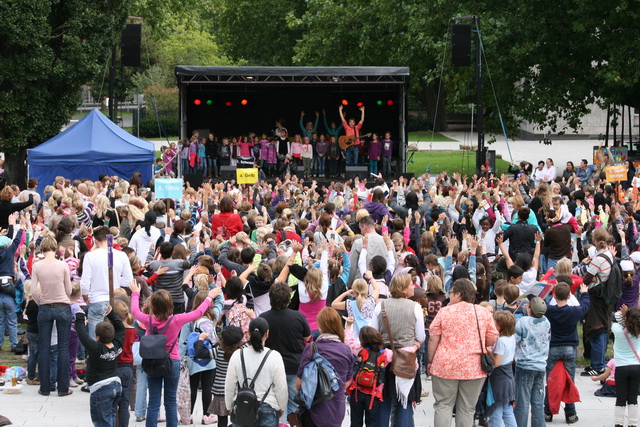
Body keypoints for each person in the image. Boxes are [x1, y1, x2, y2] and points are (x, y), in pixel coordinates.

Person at [129, 279, 222, 427]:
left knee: (153, 401)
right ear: (170, 305)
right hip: (172, 362)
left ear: (152, 306)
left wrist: (135, 293)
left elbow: (134, 311)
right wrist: (209, 296)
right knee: (170, 401)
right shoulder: (176, 320)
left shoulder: (148, 320)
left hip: (152, 362)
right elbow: (198, 312)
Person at [428, 278, 498, 427]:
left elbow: (433, 339)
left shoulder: (444, 311)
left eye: (451, 293)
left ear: (458, 294)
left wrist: (430, 361)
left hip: (445, 365)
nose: (449, 296)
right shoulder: (483, 312)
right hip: (473, 367)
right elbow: (492, 338)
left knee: (443, 405)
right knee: (467, 408)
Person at [370, 274, 426, 427]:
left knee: (383, 398)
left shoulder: (380, 306)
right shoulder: (415, 307)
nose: (413, 287)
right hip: (406, 357)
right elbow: (420, 336)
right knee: (404, 399)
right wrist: (414, 344)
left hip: (384, 358)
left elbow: (373, 332)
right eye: (410, 284)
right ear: (403, 289)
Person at [260, 282, 312, 425]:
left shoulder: (263, 318)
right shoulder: (298, 317)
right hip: (295, 365)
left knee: (275, 401)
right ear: (288, 299)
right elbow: (307, 338)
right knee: (293, 403)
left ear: (271, 298)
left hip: (271, 367)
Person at [225, 317, 288, 427]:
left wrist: (229, 406)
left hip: (242, 408)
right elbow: (281, 387)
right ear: (267, 333)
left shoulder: (237, 355)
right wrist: (282, 407)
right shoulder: (274, 356)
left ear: (248, 332)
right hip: (268, 408)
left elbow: (229, 386)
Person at [296, 308, 354, 426]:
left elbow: (299, 384)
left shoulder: (311, 349)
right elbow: (347, 383)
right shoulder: (346, 350)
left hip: (313, 411)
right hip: (336, 410)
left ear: (320, 325)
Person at [31, 235, 73, 397]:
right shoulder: (63, 265)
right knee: (63, 347)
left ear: (43, 249)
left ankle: (45, 387)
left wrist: (40, 301)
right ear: (55, 248)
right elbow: (68, 290)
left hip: (45, 306)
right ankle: (63, 388)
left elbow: (34, 290)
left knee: (44, 347)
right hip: (62, 305)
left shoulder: (37, 266)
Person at [543, 282, 590, 423]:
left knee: (550, 381)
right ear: (570, 295)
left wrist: (543, 288)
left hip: (553, 348)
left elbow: (539, 302)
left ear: (555, 295)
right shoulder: (574, 311)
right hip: (570, 348)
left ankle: (547, 412)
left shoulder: (549, 310)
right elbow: (586, 306)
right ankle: (570, 414)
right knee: (570, 381)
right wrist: (585, 293)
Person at [178, 290, 224, 425]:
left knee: (192, 387)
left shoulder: (189, 319)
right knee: (207, 387)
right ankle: (207, 415)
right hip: (209, 357)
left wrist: (181, 360)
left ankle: (189, 415)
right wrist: (215, 287)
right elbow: (221, 302)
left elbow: (183, 342)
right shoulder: (212, 318)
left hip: (194, 358)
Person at [75, 305, 125, 427]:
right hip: (116, 385)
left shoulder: (97, 348)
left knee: (102, 421)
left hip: (101, 389)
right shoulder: (117, 344)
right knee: (111, 416)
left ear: (97, 337)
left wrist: (80, 317)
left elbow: (83, 335)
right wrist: (111, 313)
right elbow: (121, 327)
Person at [80, 227, 133, 338]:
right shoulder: (121, 255)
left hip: (98, 300)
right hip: (115, 298)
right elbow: (128, 280)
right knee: (115, 336)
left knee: (95, 339)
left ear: (95, 240)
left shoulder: (90, 256)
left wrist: (85, 297)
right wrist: (117, 282)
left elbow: (85, 283)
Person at [514, 296, 551, 427]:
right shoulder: (546, 321)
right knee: (537, 401)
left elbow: (516, 339)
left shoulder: (523, 321)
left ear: (529, 309)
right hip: (540, 366)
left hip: (525, 365)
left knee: (522, 401)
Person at [611, 305, 640, 427]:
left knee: (621, 397)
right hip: (636, 366)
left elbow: (614, 317)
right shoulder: (638, 330)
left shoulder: (617, 329)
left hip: (621, 367)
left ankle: (619, 423)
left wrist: (623, 315)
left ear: (625, 319)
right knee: (633, 397)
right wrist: (627, 315)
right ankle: (633, 423)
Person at [488, 311, 517, 427]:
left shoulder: (501, 341)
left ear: (498, 327)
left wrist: (489, 352)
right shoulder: (511, 338)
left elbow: (496, 363)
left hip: (499, 379)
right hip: (509, 376)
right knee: (508, 410)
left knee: (496, 410)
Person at [0, 213, 24, 353]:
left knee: (0, 320)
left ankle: (0, 343)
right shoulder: (9, 252)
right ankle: (14, 344)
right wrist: (19, 227)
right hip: (8, 287)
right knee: (12, 320)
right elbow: (16, 241)